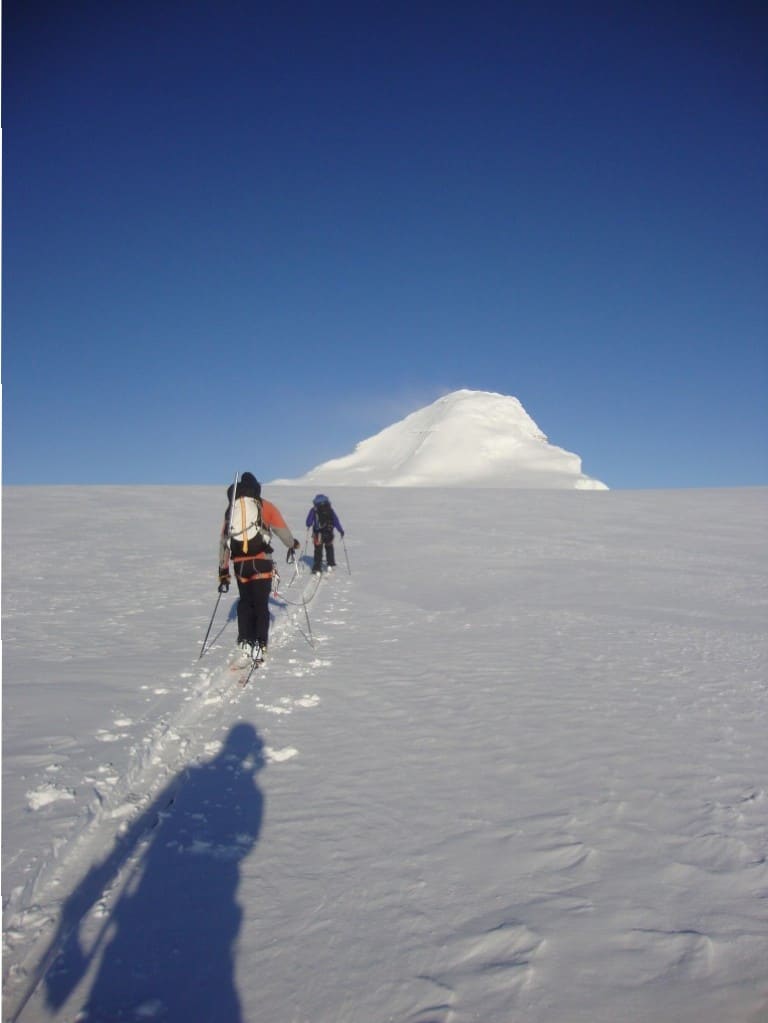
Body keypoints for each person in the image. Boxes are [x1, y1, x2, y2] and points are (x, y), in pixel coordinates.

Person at [218, 473, 300, 660]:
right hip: (261, 561)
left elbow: (224, 541)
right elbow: (282, 531)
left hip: (240, 565)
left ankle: (244, 639)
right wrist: (292, 544)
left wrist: (223, 570)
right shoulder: (265, 505)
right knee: (261, 603)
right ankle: (260, 642)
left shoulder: (232, 510)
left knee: (245, 601)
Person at [305, 494, 344, 574]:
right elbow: (335, 520)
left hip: (318, 533)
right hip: (329, 532)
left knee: (318, 550)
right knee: (329, 548)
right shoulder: (330, 509)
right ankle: (330, 564)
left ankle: (317, 568)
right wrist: (340, 530)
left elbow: (308, 522)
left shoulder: (314, 510)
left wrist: (309, 525)